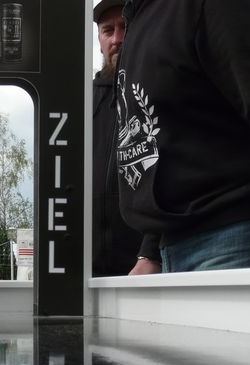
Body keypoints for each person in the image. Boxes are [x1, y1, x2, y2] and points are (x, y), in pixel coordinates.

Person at [117, 0, 250, 274]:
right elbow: (172, 137)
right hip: (175, 248)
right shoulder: (143, 13)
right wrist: (151, 250)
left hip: (242, 238)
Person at [92, 0, 151, 276]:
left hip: (145, 268)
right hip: (88, 272)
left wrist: (150, 252)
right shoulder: (80, 102)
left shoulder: (158, 93)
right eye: (108, 30)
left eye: (124, 27)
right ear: (99, 40)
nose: (116, 39)